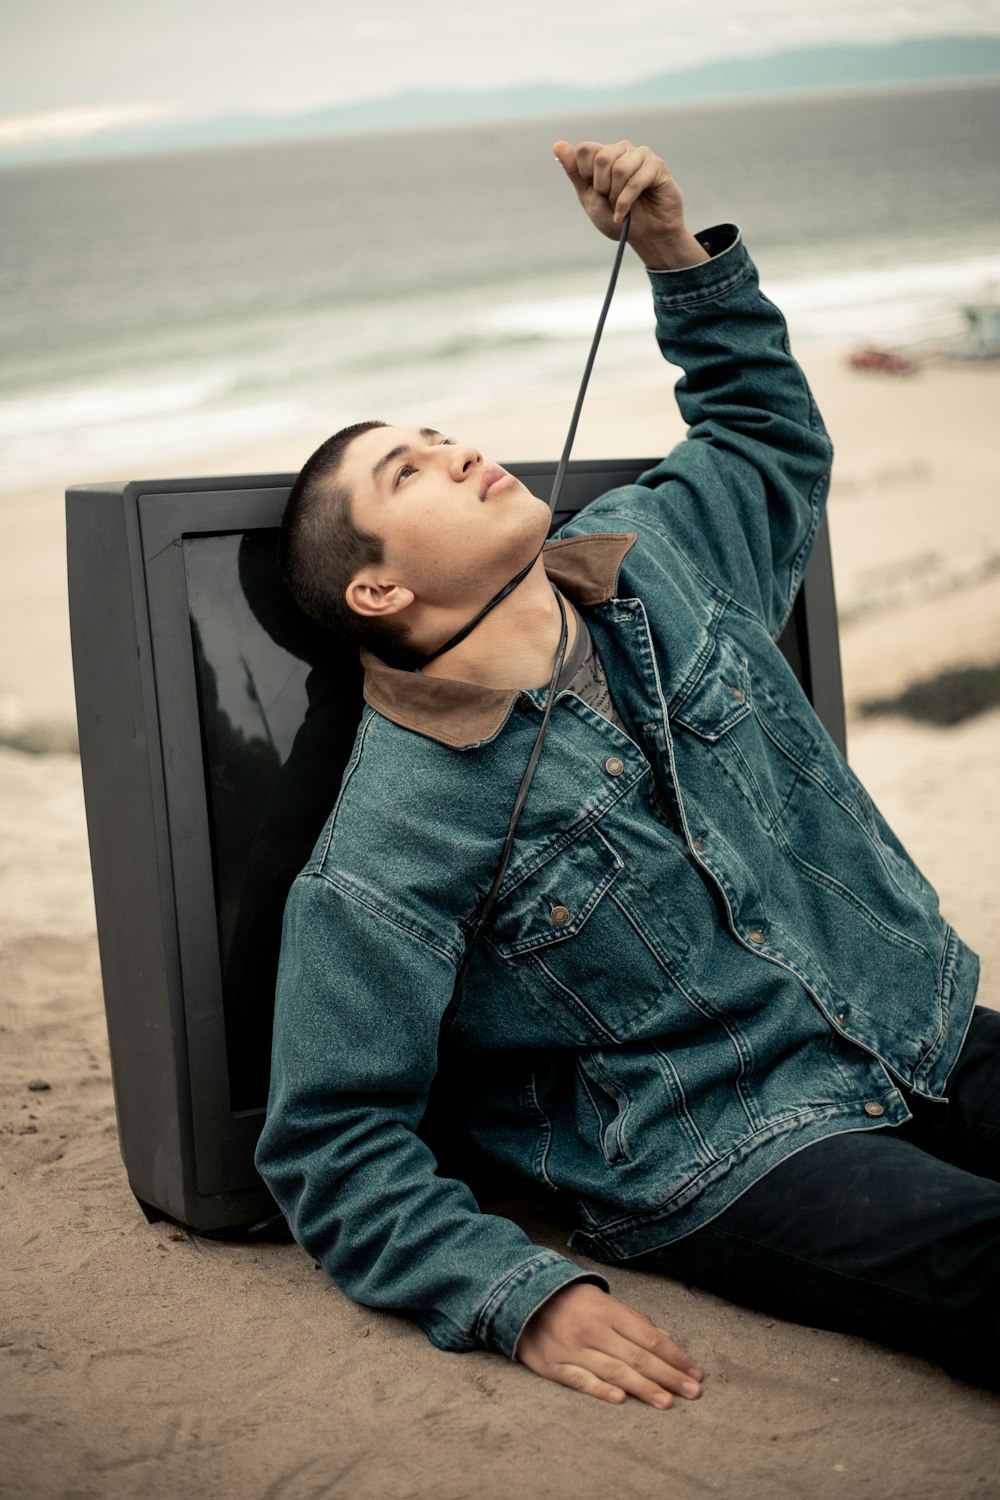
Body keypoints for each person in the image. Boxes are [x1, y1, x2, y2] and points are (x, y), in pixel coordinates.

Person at [255, 140, 1000, 1408]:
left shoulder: (654, 551)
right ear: (377, 588)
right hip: (737, 1149)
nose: (455, 451)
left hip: (904, 1016)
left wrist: (666, 244)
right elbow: (330, 1137)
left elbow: (764, 431)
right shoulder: (387, 841)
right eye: (410, 471)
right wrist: (512, 1292)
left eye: (439, 434)